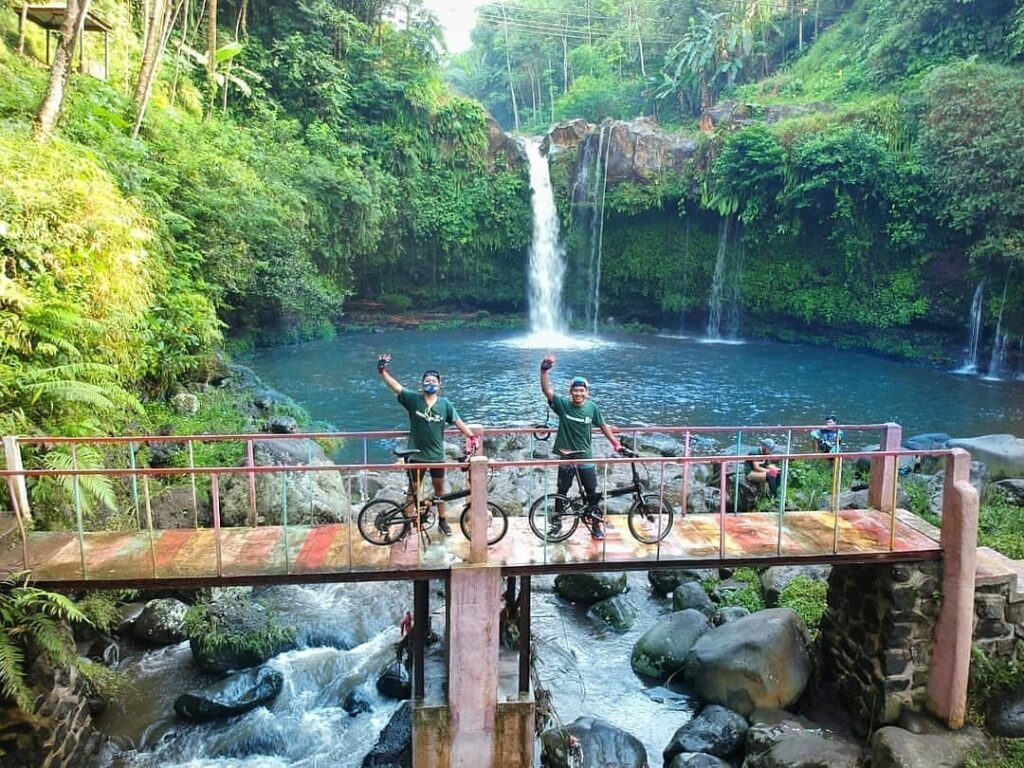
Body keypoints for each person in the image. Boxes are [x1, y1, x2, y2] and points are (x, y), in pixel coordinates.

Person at [377, 354, 479, 536]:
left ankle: (442, 521)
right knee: (413, 491)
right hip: (416, 455)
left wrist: (471, 436)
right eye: (427, 380)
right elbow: (396, 387)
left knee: (440, 491)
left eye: (433, 380)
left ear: (439, 385)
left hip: (436, 456)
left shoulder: (445, 404)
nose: (430, 383)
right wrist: (383, 371)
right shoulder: (414, 399)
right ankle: (407, 524)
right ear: (422, 383)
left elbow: (458, 421)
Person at [539, 354, 622, 540]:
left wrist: (615, 443)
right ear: (571, 392)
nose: (578, 394)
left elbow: (603, 425)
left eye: (581, 391)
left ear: (587, 392)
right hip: (566, 456)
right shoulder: (563, 405)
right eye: (575, 391)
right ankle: (557, 525)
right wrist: (544, 371)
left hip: (586, 456)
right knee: (562, 493)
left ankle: (596, 526)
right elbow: (547, 391)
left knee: (592, 493)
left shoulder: (592, 407)